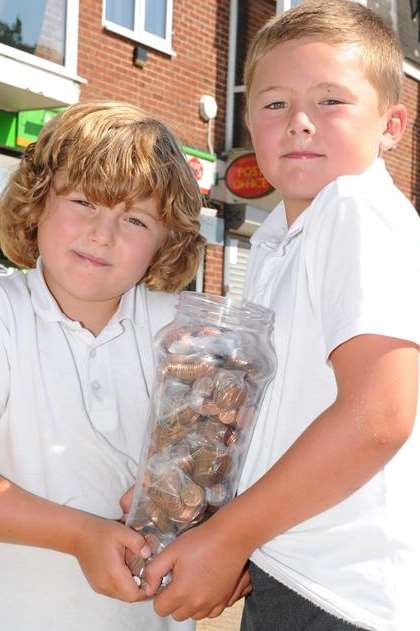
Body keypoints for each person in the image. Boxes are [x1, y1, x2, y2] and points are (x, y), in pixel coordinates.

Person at [138, 2, 420, 629]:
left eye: (331, 101)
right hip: (294, 564)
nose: (299, 124)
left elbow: (378, 416)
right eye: (274, 105)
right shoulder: (280, 238)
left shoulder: (354, 209)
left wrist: (227, 538)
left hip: (338, 590)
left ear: (392, 125)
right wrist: (209, 515)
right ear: (249, 120)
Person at [0, 100, 206, 631]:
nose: (102, 234)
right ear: (37, 201)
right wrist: (80, 534)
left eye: (135, 218)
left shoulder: (183, 336)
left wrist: (197, 502)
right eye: (85, 201)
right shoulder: (5, 317)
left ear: (167, 241)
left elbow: (226, 455)